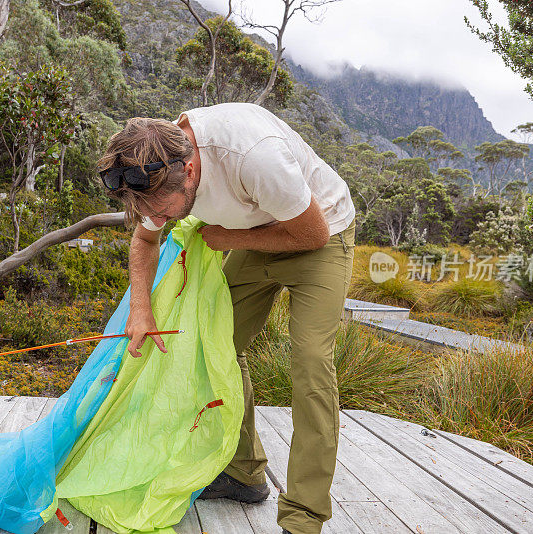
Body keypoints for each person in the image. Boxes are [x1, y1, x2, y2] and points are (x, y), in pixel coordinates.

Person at [97, 102, 355, 534]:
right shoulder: (150, 165)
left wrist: (229, 237)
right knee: (214, 341)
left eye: (165, 210)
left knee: (311, 364)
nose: (158, 218)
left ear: (191, 172)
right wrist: (140, 311)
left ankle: (303, 518)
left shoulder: (254, 155)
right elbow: (145, 240)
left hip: (321, 236)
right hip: (258, 236)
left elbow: (312, 234)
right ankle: (244, 471)